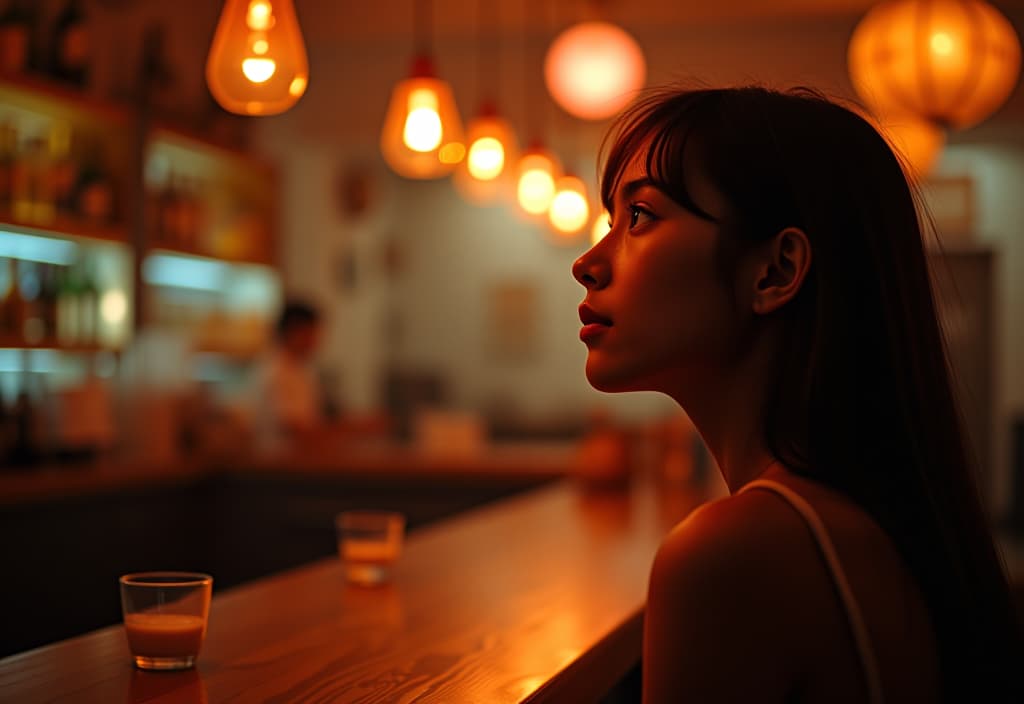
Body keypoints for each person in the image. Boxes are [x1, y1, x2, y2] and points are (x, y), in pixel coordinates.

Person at [572, 86, 1022, 703]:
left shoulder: (731, 553)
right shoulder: (867, 521)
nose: (588, 262)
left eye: (641, 216)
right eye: (610, 221)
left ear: (776, 271)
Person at [247, 299, 325, 451]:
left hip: (294, 460)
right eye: (312, 333)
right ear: (294, 331)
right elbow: (294, 429)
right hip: (277, 465)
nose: (317, 341)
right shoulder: (275, 370)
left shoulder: (296, 369)